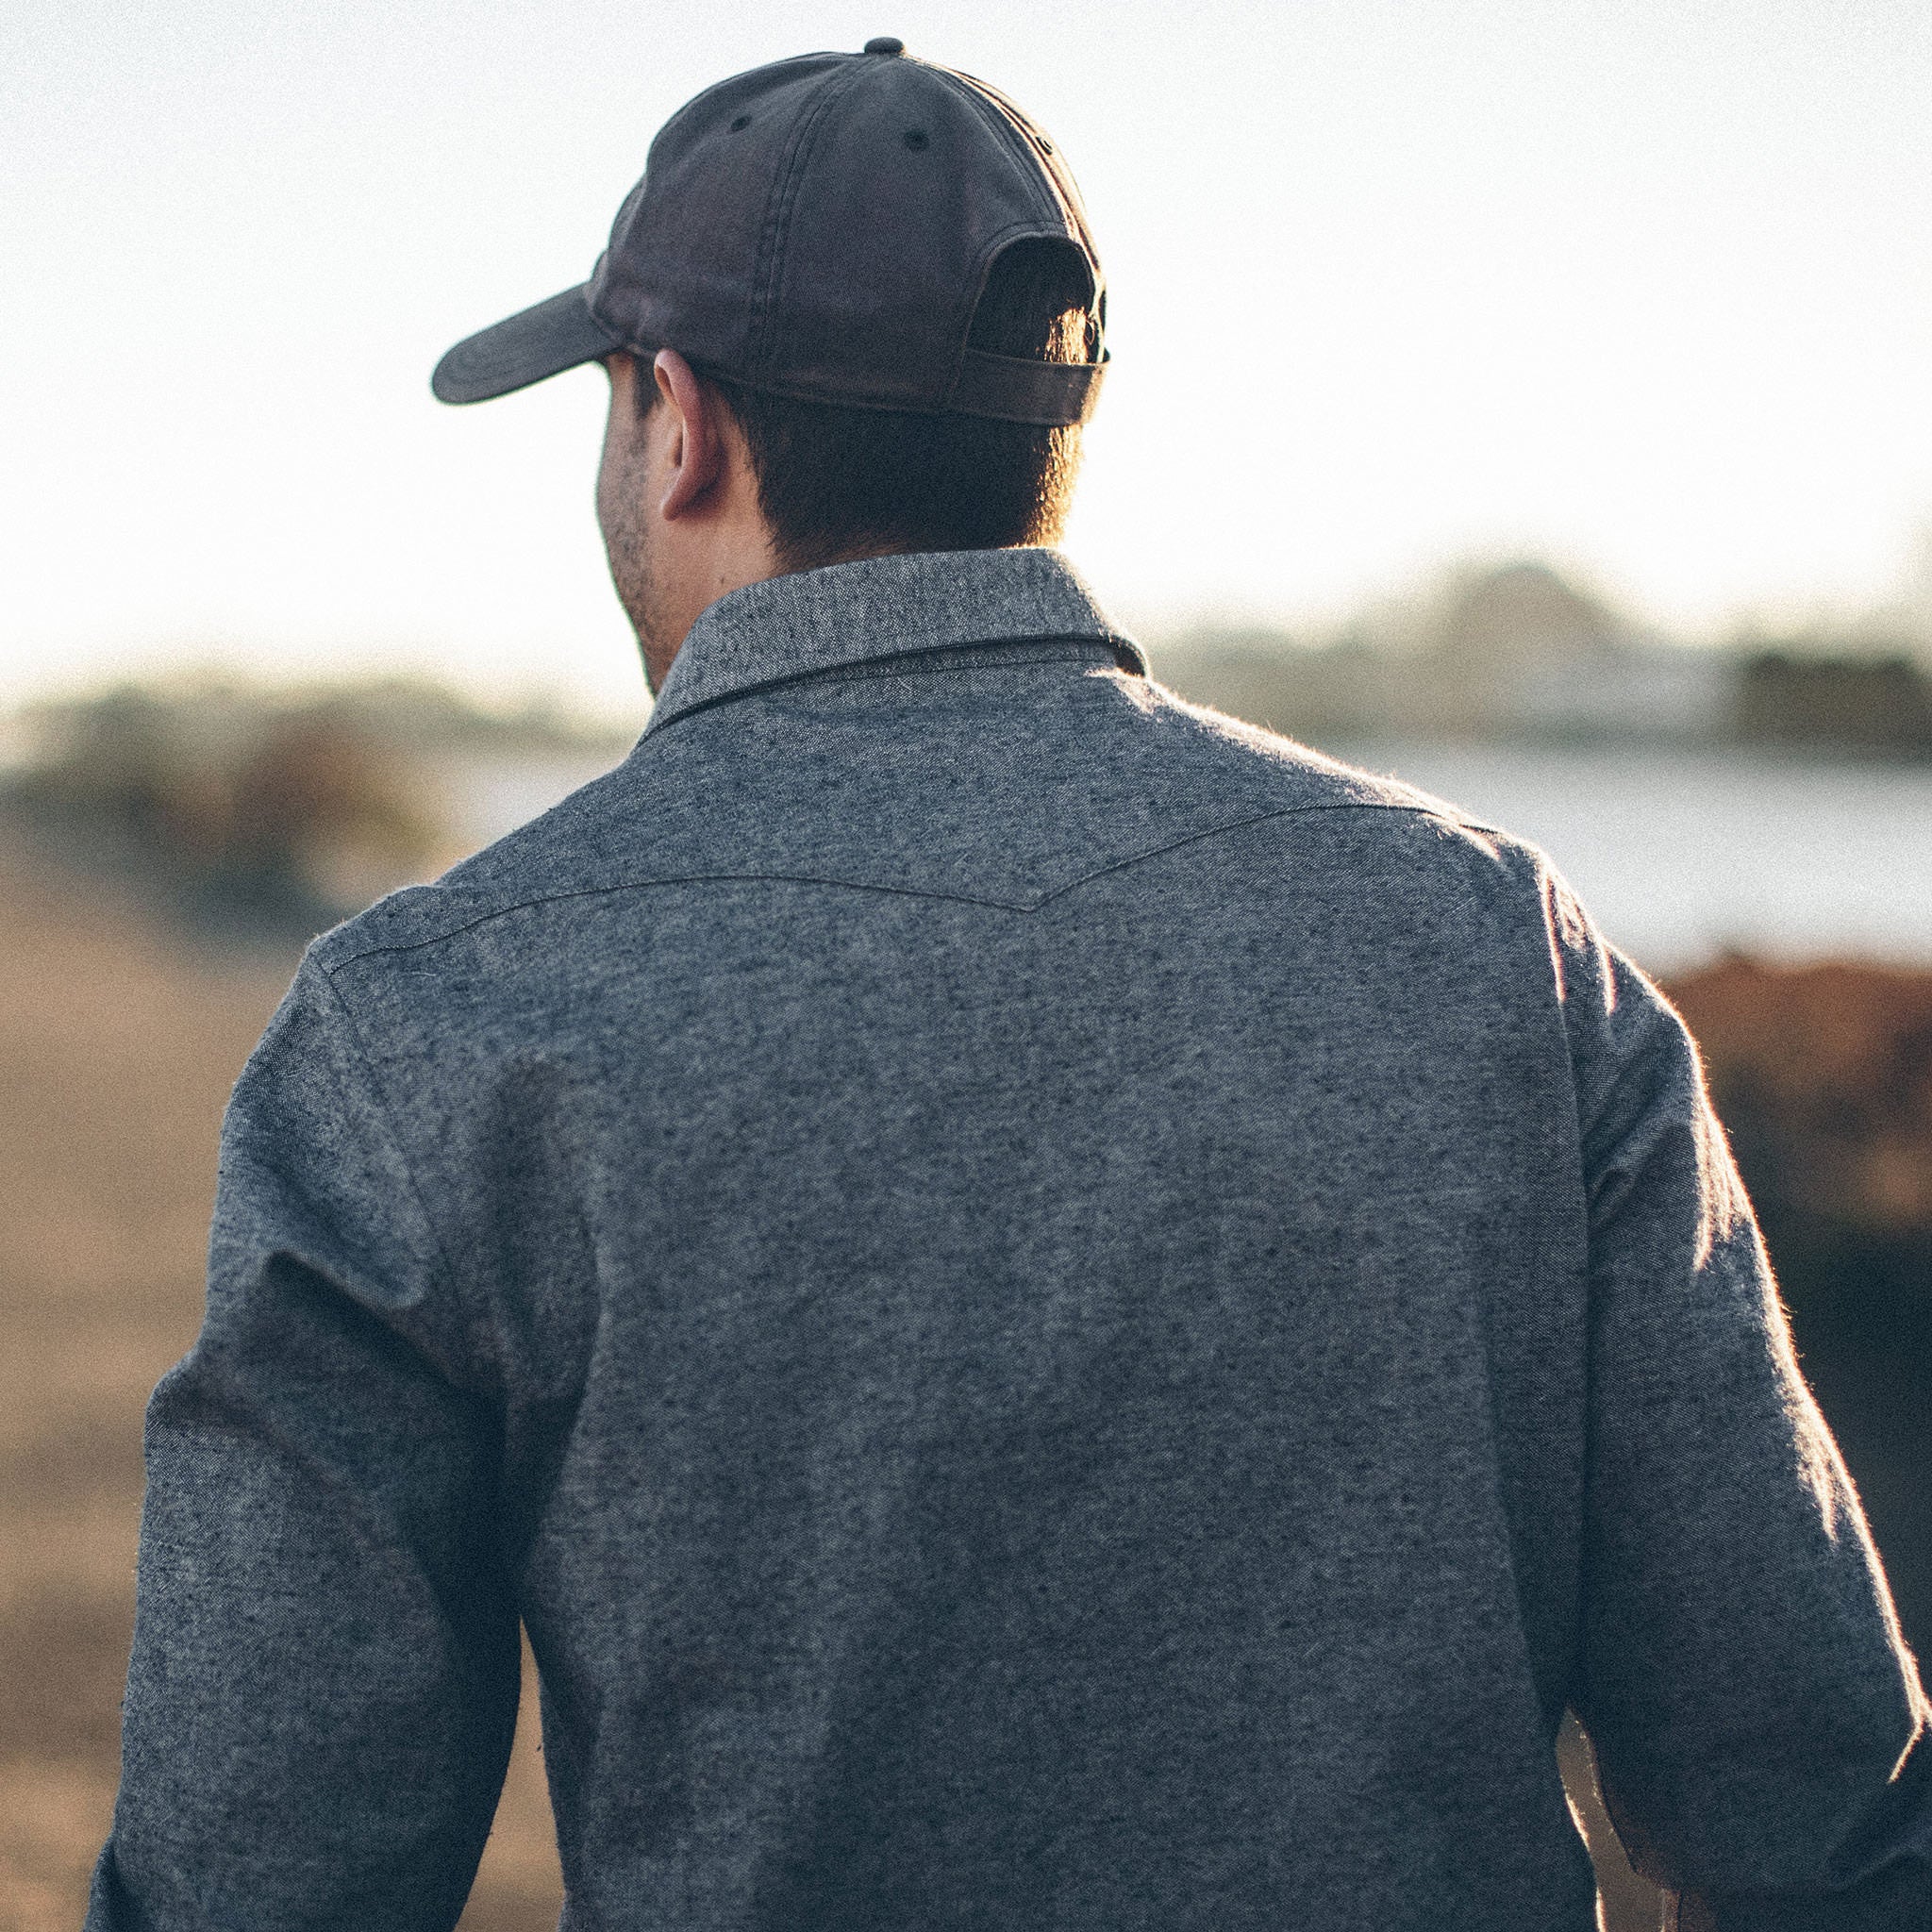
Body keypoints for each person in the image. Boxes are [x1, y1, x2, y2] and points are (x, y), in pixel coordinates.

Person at [89, 41, 1930, 1932]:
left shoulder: (426, 1031)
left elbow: (254, 1874)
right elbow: (1822, 1816)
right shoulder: (1495, 953)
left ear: (681, 424)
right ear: (1052, 433)